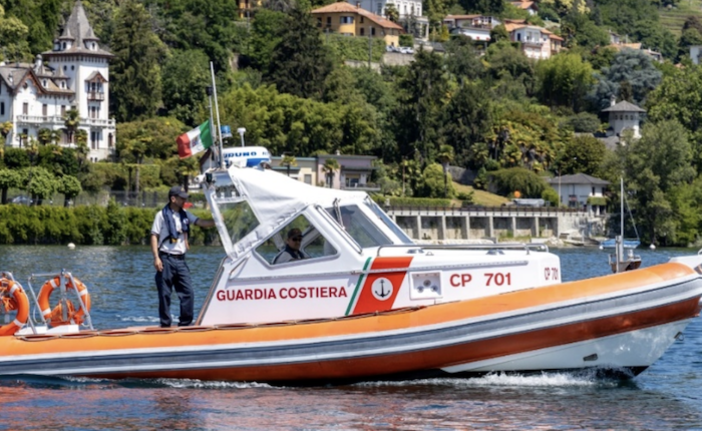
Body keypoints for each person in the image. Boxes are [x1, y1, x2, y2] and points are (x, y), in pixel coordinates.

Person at [151, 186, 215, 327]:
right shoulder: (161, 215)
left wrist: (216, 221)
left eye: (185, 198)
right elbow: (154, 235)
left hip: (180, 260)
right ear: (173, 199)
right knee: (165, 294)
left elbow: (201, 222)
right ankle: (165, 325)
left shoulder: (185, 214)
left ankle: (185, 324)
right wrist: (156, 257)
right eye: (182, 198)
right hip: (165, 259)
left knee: (188, 293)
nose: (184, 200)